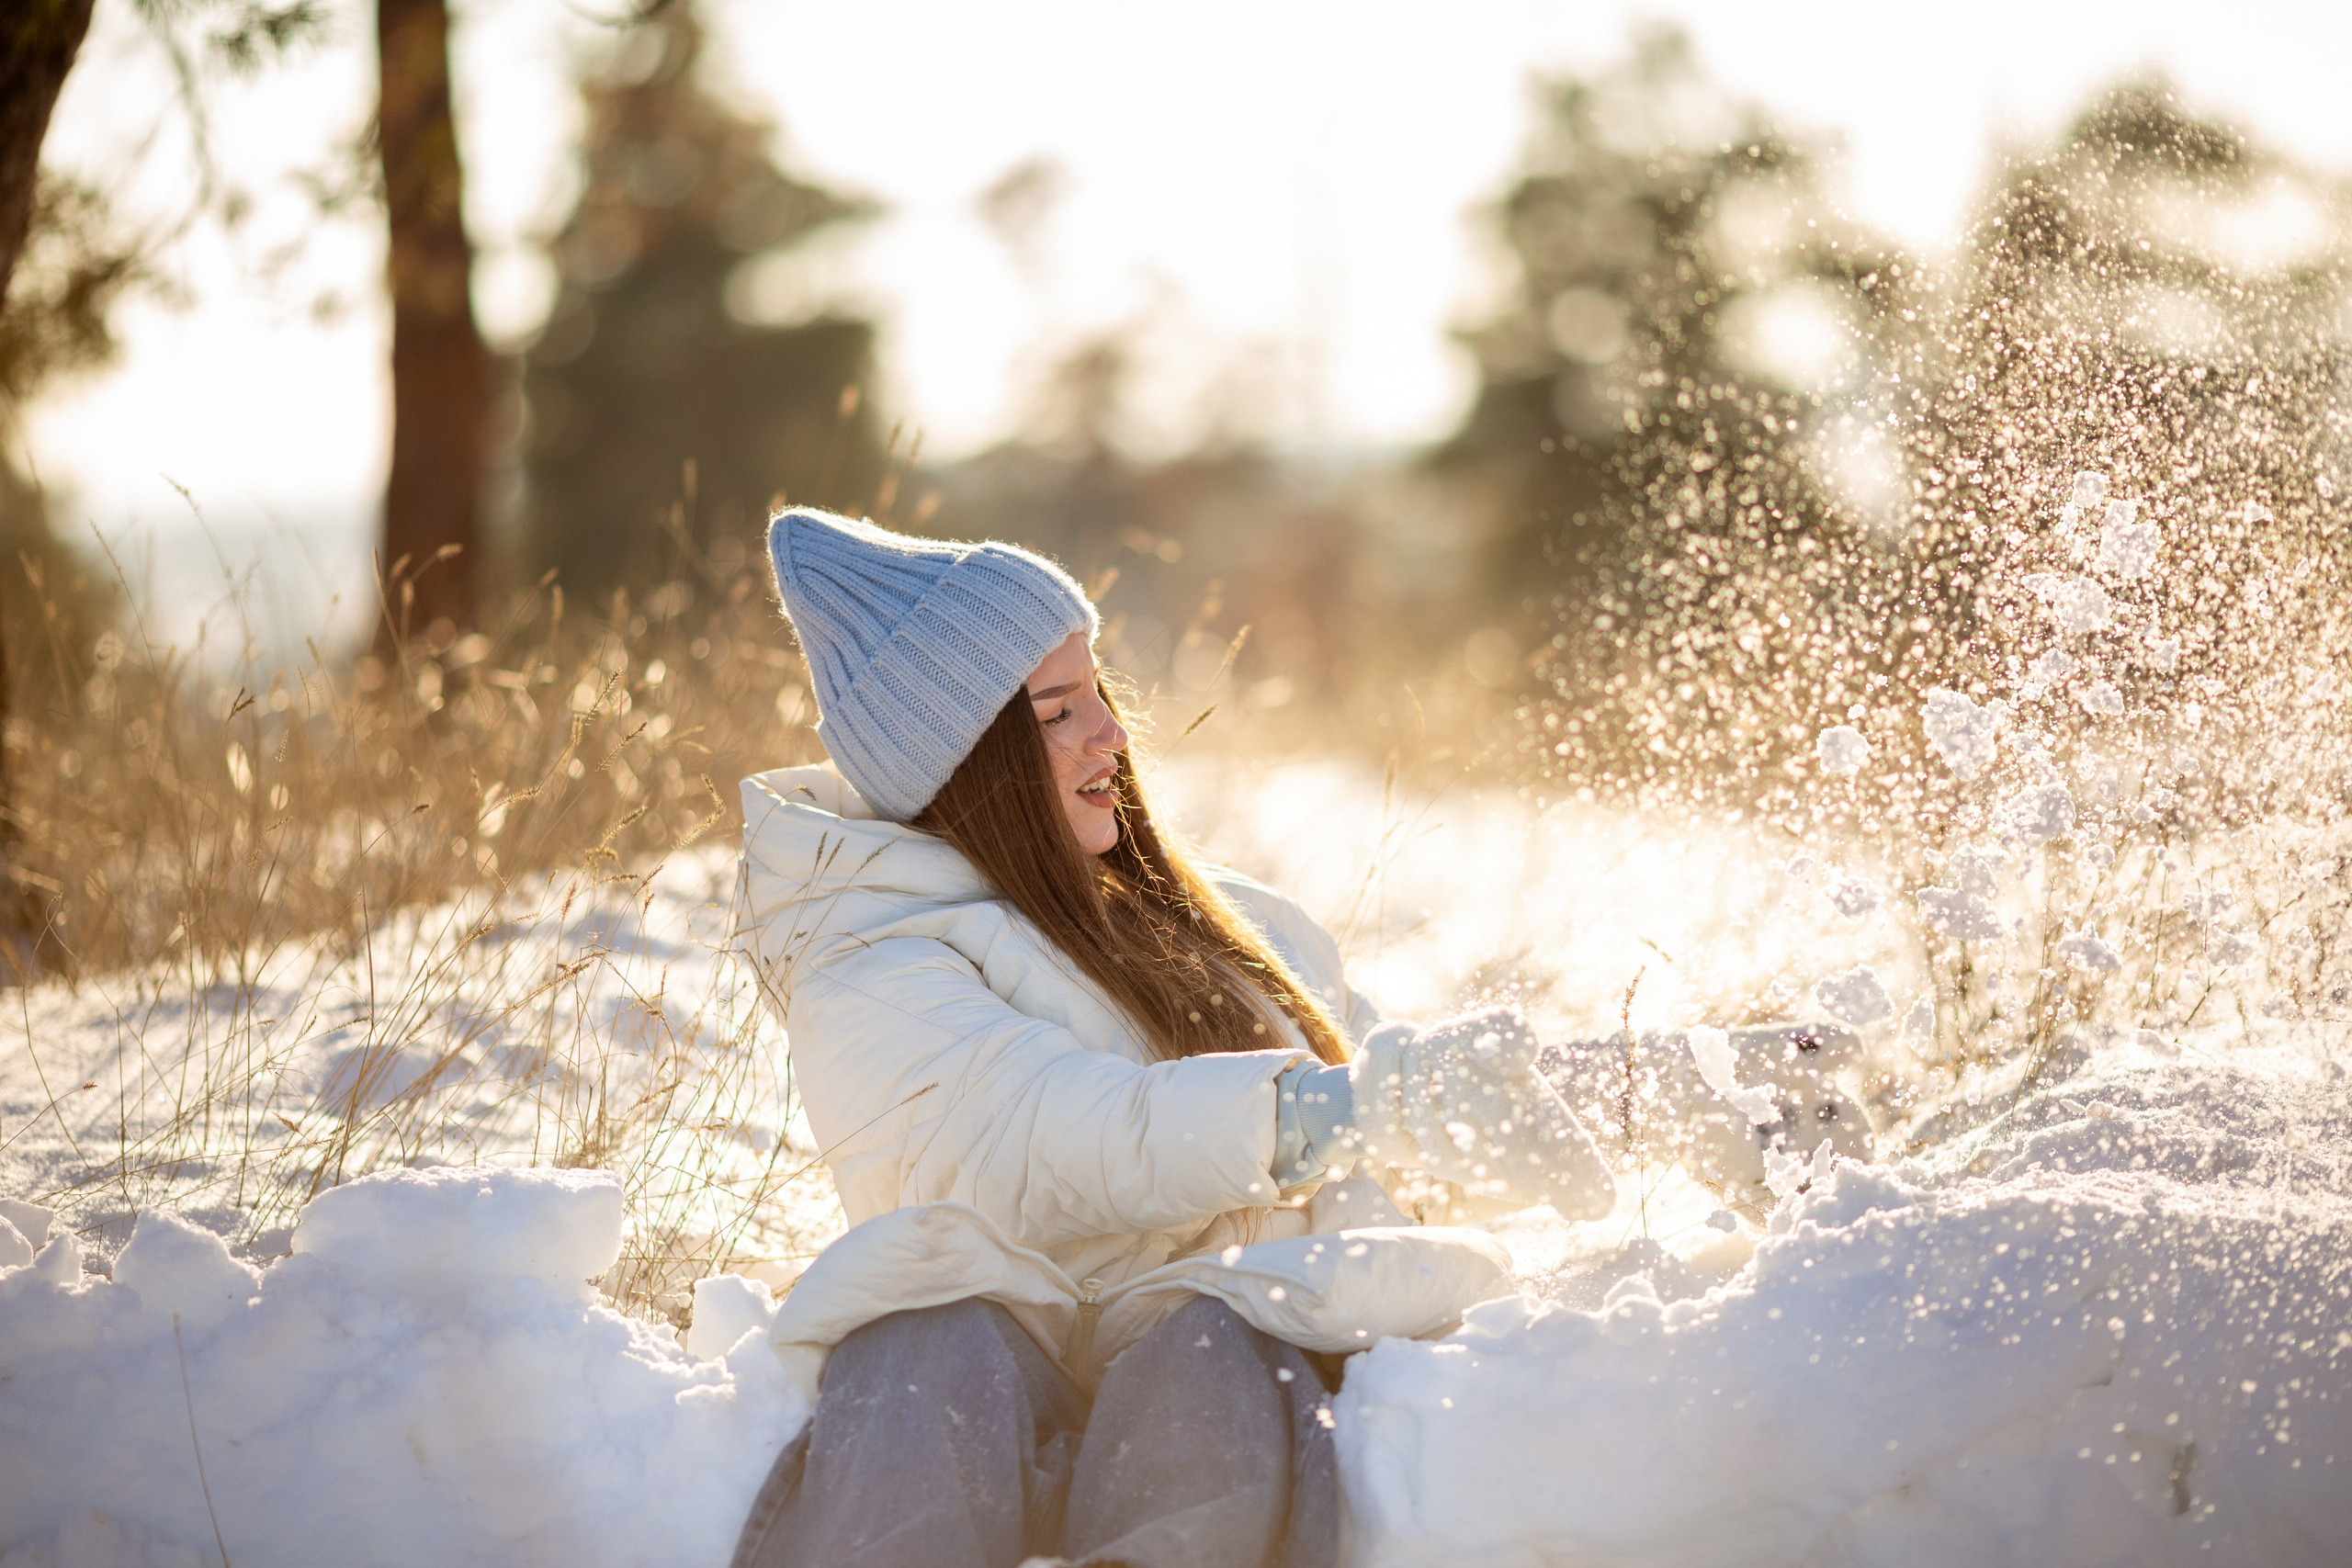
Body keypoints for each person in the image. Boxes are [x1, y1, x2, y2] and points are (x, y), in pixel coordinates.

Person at [729, 508, 1618, 1568]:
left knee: (1215, 1332)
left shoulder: (1224, 922)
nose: (1109, 732)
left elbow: (1414, 1094)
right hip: (999, 1368)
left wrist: (1646, 1090)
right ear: (967, 763)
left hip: (1205, 1363)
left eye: (1096, 691)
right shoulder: (870, 960)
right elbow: (1044, 1138)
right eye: (1058, 713)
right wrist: (1327, 1112)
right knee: (917, 1330)